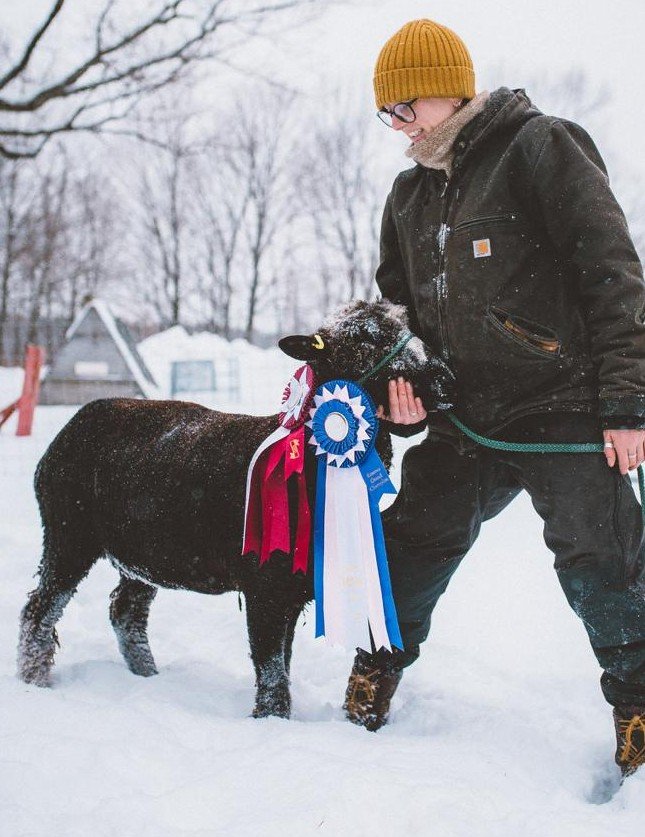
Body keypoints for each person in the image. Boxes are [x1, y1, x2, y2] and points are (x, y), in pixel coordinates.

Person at [342, 18, 645, 778]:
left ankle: (637, 705)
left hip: (563, 406)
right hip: (465, 417)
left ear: (448, 89)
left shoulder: (540, 146)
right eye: (388, 114)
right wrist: (397, 390)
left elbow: (612, 274)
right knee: (411, 538)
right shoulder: (409, 194)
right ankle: (376, 666)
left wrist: (626, 402)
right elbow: (397, 313)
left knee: (600, 559)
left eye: (404, 107)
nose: (397, 126)